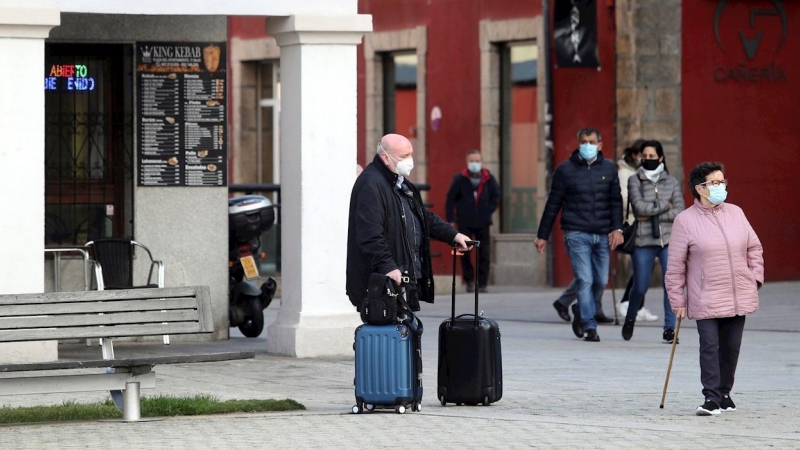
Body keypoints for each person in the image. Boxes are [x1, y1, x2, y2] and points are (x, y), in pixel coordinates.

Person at [665, 161, 764, 416]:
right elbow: (675, 265)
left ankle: (724, 393)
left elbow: (754, 247)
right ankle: (711, 398)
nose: (721, 186)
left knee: (731, 347)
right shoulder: (685, 221)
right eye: (715, 182)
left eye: (723, 182)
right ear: (700, 188)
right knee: (710, 346)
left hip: (737, 292)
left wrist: (754, 278)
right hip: (705, 295)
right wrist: (677, 299)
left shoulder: (736, 212)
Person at [346, 133, 472, 312]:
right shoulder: (371, 184)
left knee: (404, 333)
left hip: (402, 277)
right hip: (383, 282)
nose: (410, 161)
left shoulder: (399, 182)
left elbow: (422, 217)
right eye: (404, 156)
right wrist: (387, 266)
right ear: (385, 157)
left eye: (411, 154)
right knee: (387, 335)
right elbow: (369, 234)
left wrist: (453, 235)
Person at [535, 127, 623, 342]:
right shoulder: (565, 170)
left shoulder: (609, 169)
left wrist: (617, 228)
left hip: (602, 233)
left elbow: (615, 201)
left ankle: (580, 313)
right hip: (576, 232)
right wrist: (542, 235)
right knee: (585, 279)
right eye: (584, 141)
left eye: (592, 142)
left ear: (600, 145)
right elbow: (553, 203)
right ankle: (589, 325)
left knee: (600, 281)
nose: (587, 145)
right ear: (578, 144)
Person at [620, 140, 684, 343]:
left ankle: (669, 329)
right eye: (644, 157)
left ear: (661, 158)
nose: (647, 160)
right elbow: (639, 209)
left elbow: (680, 211)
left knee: (670, 283)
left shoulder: (671, 181)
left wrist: (654, 212)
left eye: (651, 157)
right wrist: (666, 205)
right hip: (643, 239)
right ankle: (630, 317)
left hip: (668, 240)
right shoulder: (634, 180)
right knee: (640, 286)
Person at [445, 149, 500, 293]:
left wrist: (488, 210)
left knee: (484, 253)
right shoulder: (459, 179)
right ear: (467, 162)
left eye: (477, 161)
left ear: (481, 162)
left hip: (483, 221)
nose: (474, 164)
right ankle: (469, 281)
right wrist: (451, 219)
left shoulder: (488, 178)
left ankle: (482, 283)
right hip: (465, 221)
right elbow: (451, 199)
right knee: (465, 252)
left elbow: (496, 196)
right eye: (471, 161)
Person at [616, 139, 658, 322]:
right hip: (635, 225)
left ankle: (638, 306)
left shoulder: (646, 173)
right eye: (643, 155)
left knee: (646, 267)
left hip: (650, 225)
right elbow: (625, 198)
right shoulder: (625, 173)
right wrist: (648, 206)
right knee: (642, 267)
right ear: (635, 155)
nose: (646, 159)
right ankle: (627, 301)